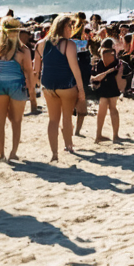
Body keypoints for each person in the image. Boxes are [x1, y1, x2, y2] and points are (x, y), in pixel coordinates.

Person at [34, 14, 87, 162]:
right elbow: (75, 69)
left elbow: (36, 70)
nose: (72, 29)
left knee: (53, 120)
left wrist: (38, 84)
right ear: (63, 26)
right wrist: (81, 89)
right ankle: (68, 146)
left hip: (48, 84)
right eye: (70, 26)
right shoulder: (69, 44)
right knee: (67, 117)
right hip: (66, 85)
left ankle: (54, 154)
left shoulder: (40, 44)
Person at [0, 18, 33, 162]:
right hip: (17, 86)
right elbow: (28, 71)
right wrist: (31, 90)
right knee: (16, 121)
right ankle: (13, 153)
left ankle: (1, 154)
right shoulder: (23, 50)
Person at [92, 46, 125, 143]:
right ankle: (115, 135)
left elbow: (95, 77)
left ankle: (98, 135)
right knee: (113, 109)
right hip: (112, 86)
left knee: (102, 111)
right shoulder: (116, 62)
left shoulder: (99, 63)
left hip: (103, 88)